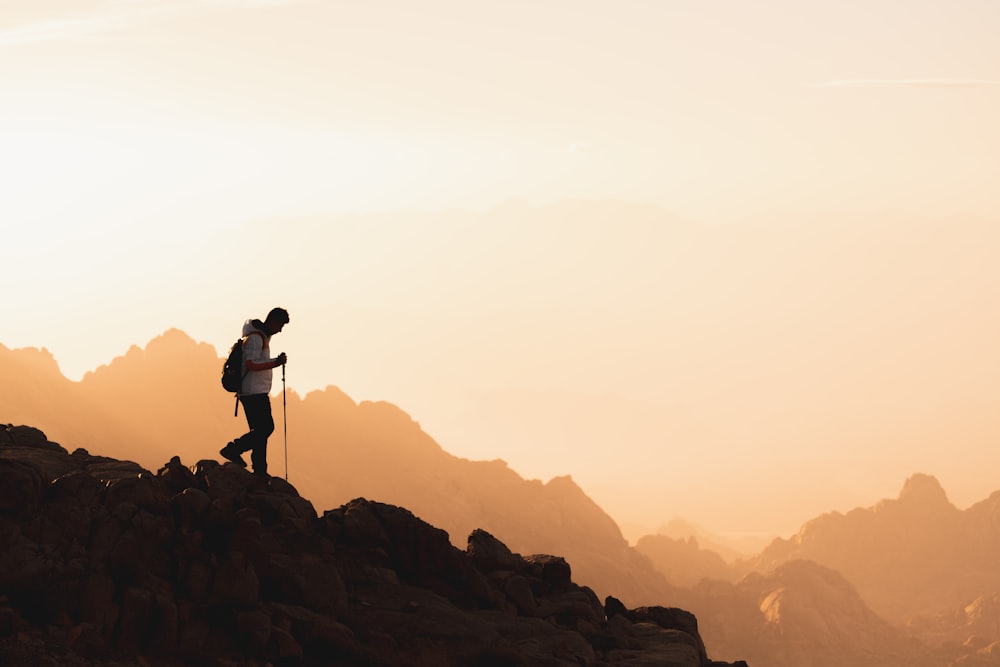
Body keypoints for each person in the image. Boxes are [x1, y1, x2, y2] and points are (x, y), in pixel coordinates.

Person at [220, 307, 289, 477]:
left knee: (259, 431)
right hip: (253, 392)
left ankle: (259, 470)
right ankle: (233, 448)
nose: (280, 330)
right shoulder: (255, 339)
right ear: (273, 321)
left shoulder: (261, 336)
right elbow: (251, 364)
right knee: (266, 428)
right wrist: (275, 362)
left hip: (255, 391)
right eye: (280, 326)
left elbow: (255, 359)